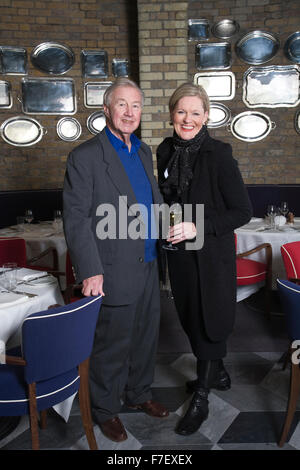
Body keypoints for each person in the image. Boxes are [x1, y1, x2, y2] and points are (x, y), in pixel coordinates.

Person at [63, 78, 169, 443]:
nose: (129, 112)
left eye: (135, 105)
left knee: (144, 336)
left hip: (150, 260)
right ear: (106, 109)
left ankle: (139, 394)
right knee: (111, 345)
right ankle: (105, 410)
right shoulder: (85, 157)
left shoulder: (143, 152)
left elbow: (151, 203)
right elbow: (76, 218)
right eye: (121, 104)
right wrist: (90, 270)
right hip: (112, 266)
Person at [157, 82, 252, 436]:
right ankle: (218, 371)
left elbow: (242, 211)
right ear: (171, 114)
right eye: (181, 111)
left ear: (207, 116)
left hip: (212, 255)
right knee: (190, 318)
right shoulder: (165, 150)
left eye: (196, 113)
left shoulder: (220, 153)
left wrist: (197, 226)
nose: (188, 119)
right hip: (180, 255)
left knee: (211, 317)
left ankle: (202, 393)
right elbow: (168, 199)